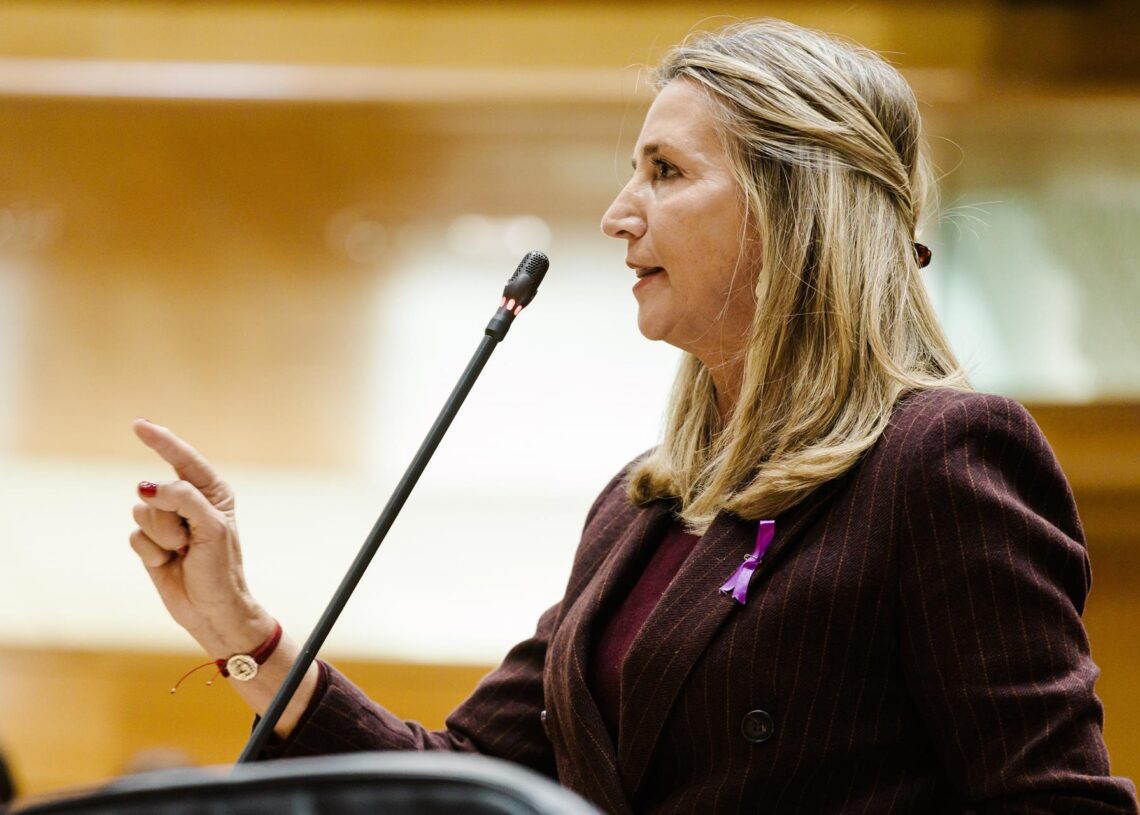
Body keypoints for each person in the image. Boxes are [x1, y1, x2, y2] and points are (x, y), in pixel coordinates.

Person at [129, 19, 1138, 814]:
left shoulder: (938, 458)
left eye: (666, 171)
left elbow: (1055, 802)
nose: (618, 211)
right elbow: (467, 781)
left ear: (795, 206)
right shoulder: (637, 506)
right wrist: (240, 629)